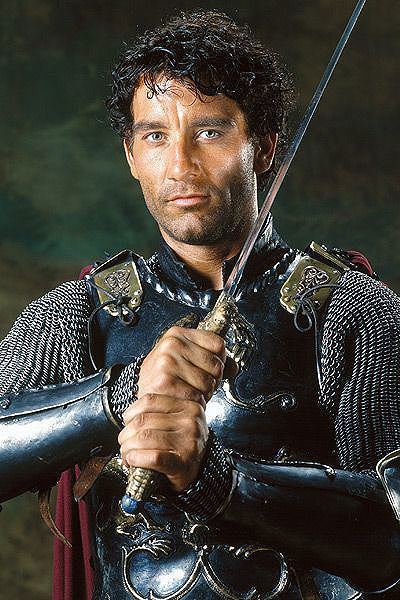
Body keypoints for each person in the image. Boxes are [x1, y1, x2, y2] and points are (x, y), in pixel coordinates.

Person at [1, 10, 400, 600]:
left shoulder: (354, 310)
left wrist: (217, 484)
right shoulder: (79, 314)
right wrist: (118, 397)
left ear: (263, 147)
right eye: (155, 136)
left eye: (209, 132)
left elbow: (391, 540)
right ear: (131, 155)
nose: (180, 165)